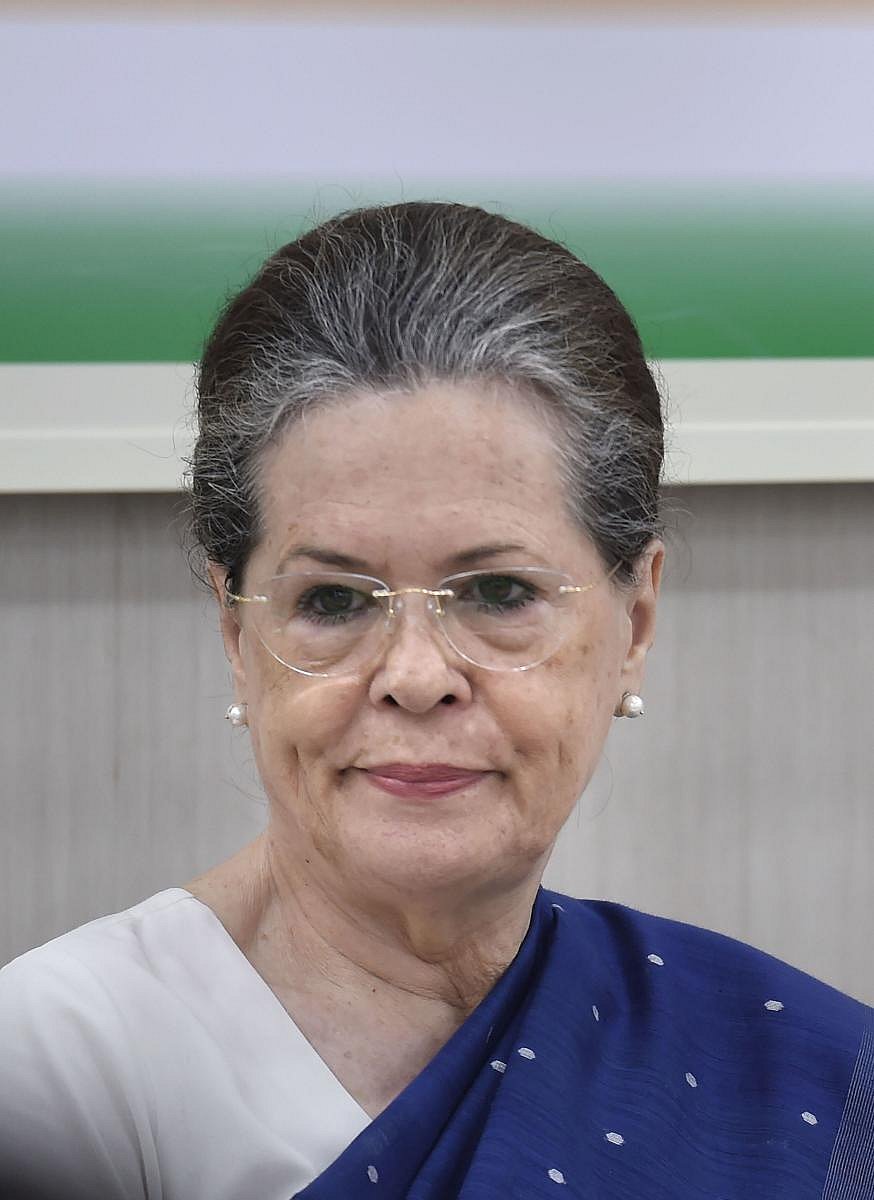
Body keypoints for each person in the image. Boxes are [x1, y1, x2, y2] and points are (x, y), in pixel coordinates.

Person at [0, 201, 870, 1200]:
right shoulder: (68, 1068)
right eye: (332, 600)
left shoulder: (794, 1077)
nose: (415, 675)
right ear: (237, 637)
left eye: (500, 593)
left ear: (633, 626)